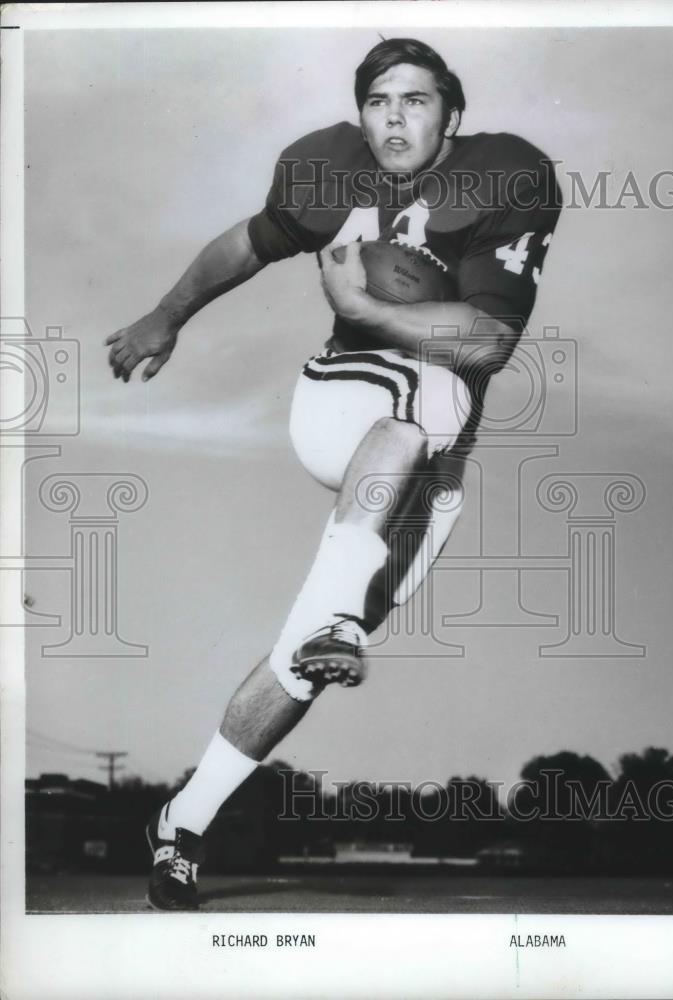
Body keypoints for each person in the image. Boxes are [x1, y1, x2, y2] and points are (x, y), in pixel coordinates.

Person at [105, 37, 561, 910]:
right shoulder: (328, 168)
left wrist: (358, 301)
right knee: (418, 409)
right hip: (345, 397)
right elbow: (247, 241)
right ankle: (341, 621)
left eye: (417, 100)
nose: (395, 115)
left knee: (306, 655)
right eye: (380, 100)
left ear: (451, 115)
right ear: (361, 114)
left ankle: (182, 822)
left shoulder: (507, 176)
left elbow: (490, 343)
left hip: (432, 458)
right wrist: (169, 313)